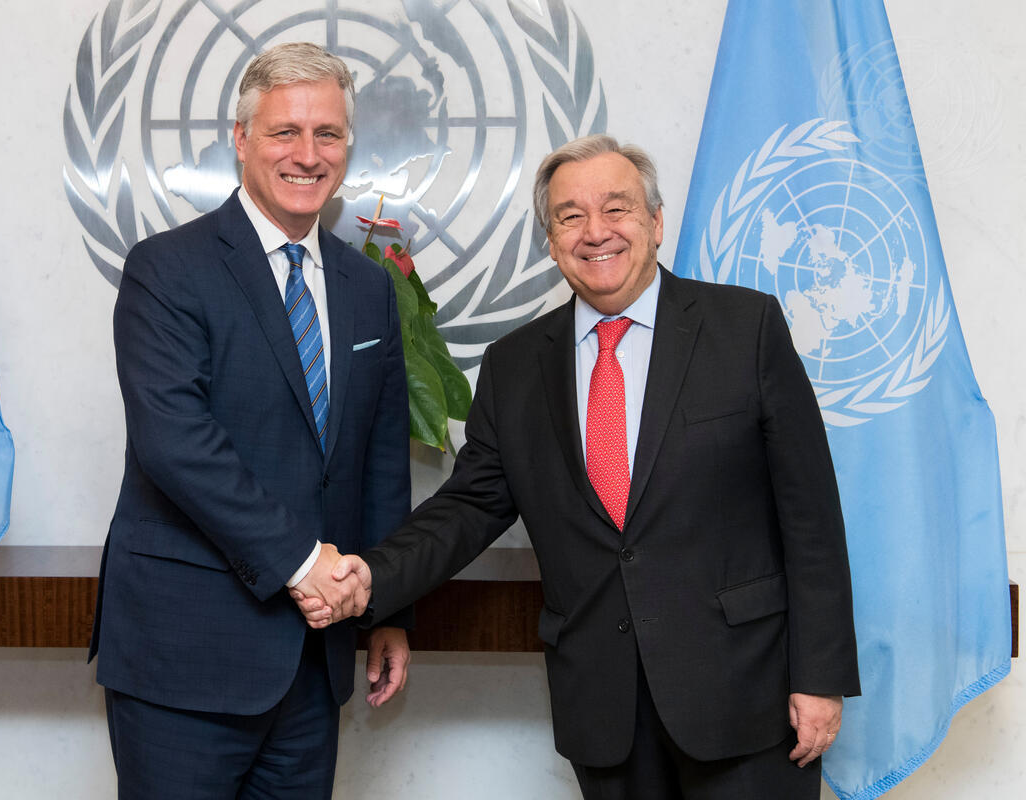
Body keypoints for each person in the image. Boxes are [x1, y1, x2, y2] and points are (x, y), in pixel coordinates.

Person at [294, 135, 861, 799]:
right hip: (604, 706)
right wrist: (370, 578)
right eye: (570, 216)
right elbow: (468, 508)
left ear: (655, 221)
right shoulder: (514, 366)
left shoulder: (746, 328)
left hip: (747, 697)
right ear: (551, 239)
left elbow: (810, 516)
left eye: (616, 209)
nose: (596, 232)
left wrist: (819, 677)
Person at [89, 42, 412, 799]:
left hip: (315, 663)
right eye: (284, 132)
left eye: (327, 133)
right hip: (184, 658)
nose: (308, 154)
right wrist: (304, 565)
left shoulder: (368, 288)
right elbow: (176, 445)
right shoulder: (167, 269)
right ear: (241, 139)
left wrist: (387, 609)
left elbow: (379, 460)